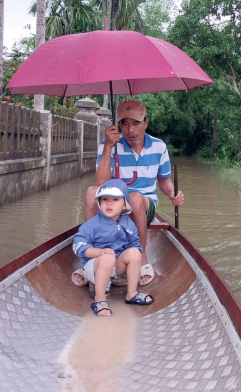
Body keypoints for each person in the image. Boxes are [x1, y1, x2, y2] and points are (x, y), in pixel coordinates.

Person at [84, 100, 184, 287]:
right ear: (119, 125)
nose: (130, 130)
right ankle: (90, 258)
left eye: (136, 123)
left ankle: (142, 257)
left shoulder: (159, 147)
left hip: (145, 205)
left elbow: (164, 180)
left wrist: (173, 194)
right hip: (114, 204)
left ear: (146, 123)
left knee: (136, 198)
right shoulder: (109, 145)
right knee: (91, 193)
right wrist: (107, 147)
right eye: (124, 123)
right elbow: (100, 184)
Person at [73, 179, 154, 316]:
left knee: (135, 252)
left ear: (124, 205)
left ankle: (131, 293)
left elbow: (134, 243)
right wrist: (99, 252)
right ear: (99, 203)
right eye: (104, 199)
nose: (109, 203)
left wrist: (133, 255)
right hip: (95, 266)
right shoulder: (92, 225)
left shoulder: (128, 224)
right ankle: (99, 300)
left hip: (116, 266)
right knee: (107, 258)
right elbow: (78, 246)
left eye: (115, 200)